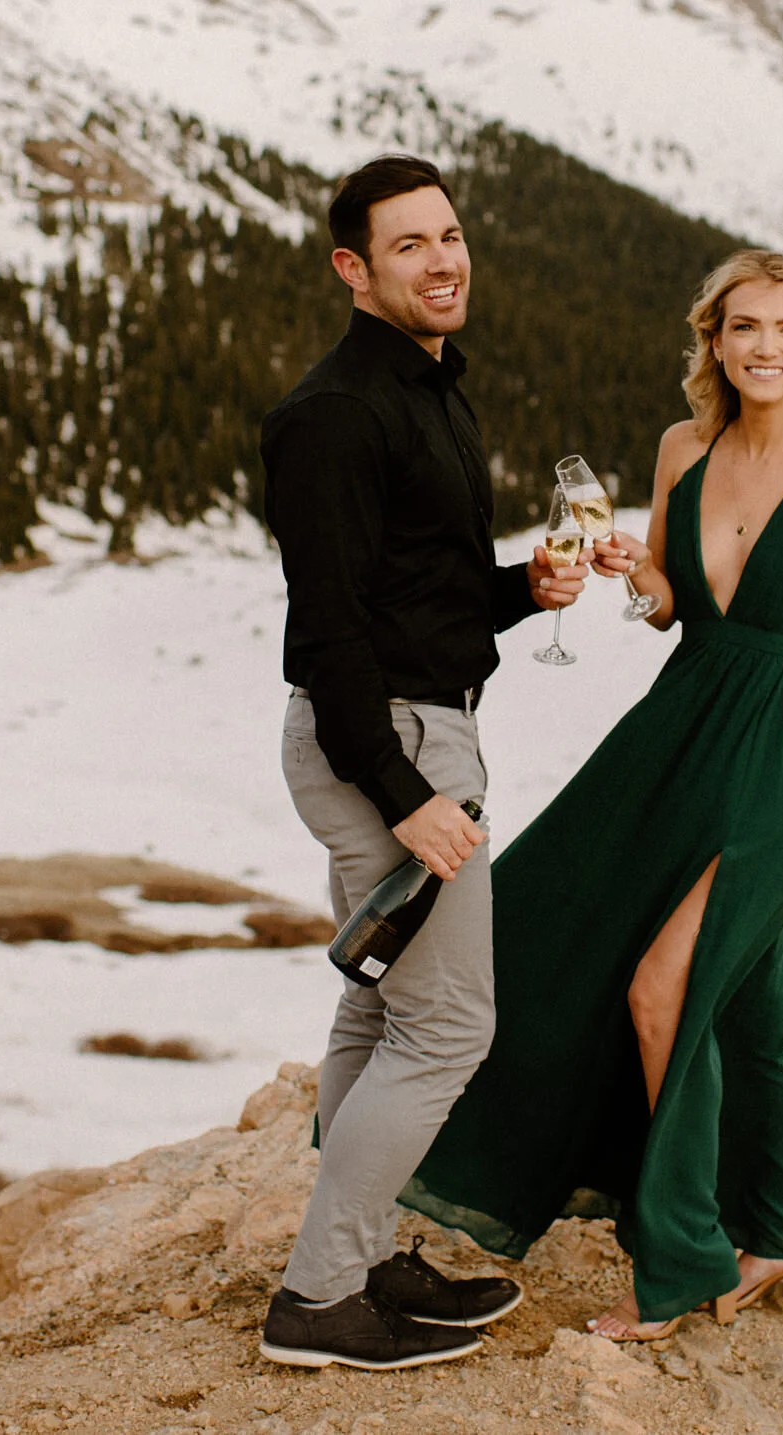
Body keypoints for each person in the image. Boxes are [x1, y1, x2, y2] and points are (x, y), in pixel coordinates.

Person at [405, 249, 783, 1339]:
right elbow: (680, 610)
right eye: (743, 328)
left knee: (660, 987)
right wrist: (641, 578)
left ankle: (679, 1264)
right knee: (720, 989)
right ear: (713, 342)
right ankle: (782, 1234)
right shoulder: (686, 446)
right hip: (680, 723)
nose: (764, 347)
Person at [254, 153, 629, 1371]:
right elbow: (329, 633)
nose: (443, 259)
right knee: (449, 1025)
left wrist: (525, 587)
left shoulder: (429, 388)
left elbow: (417, 594)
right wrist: (408, 797)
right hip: (390, 746)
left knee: (381, 1006)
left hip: (425, 723)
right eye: (409, 244)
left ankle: (354, 1258)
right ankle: (318, 1299)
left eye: (451, 235)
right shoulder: (329, 417)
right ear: (352, 268)